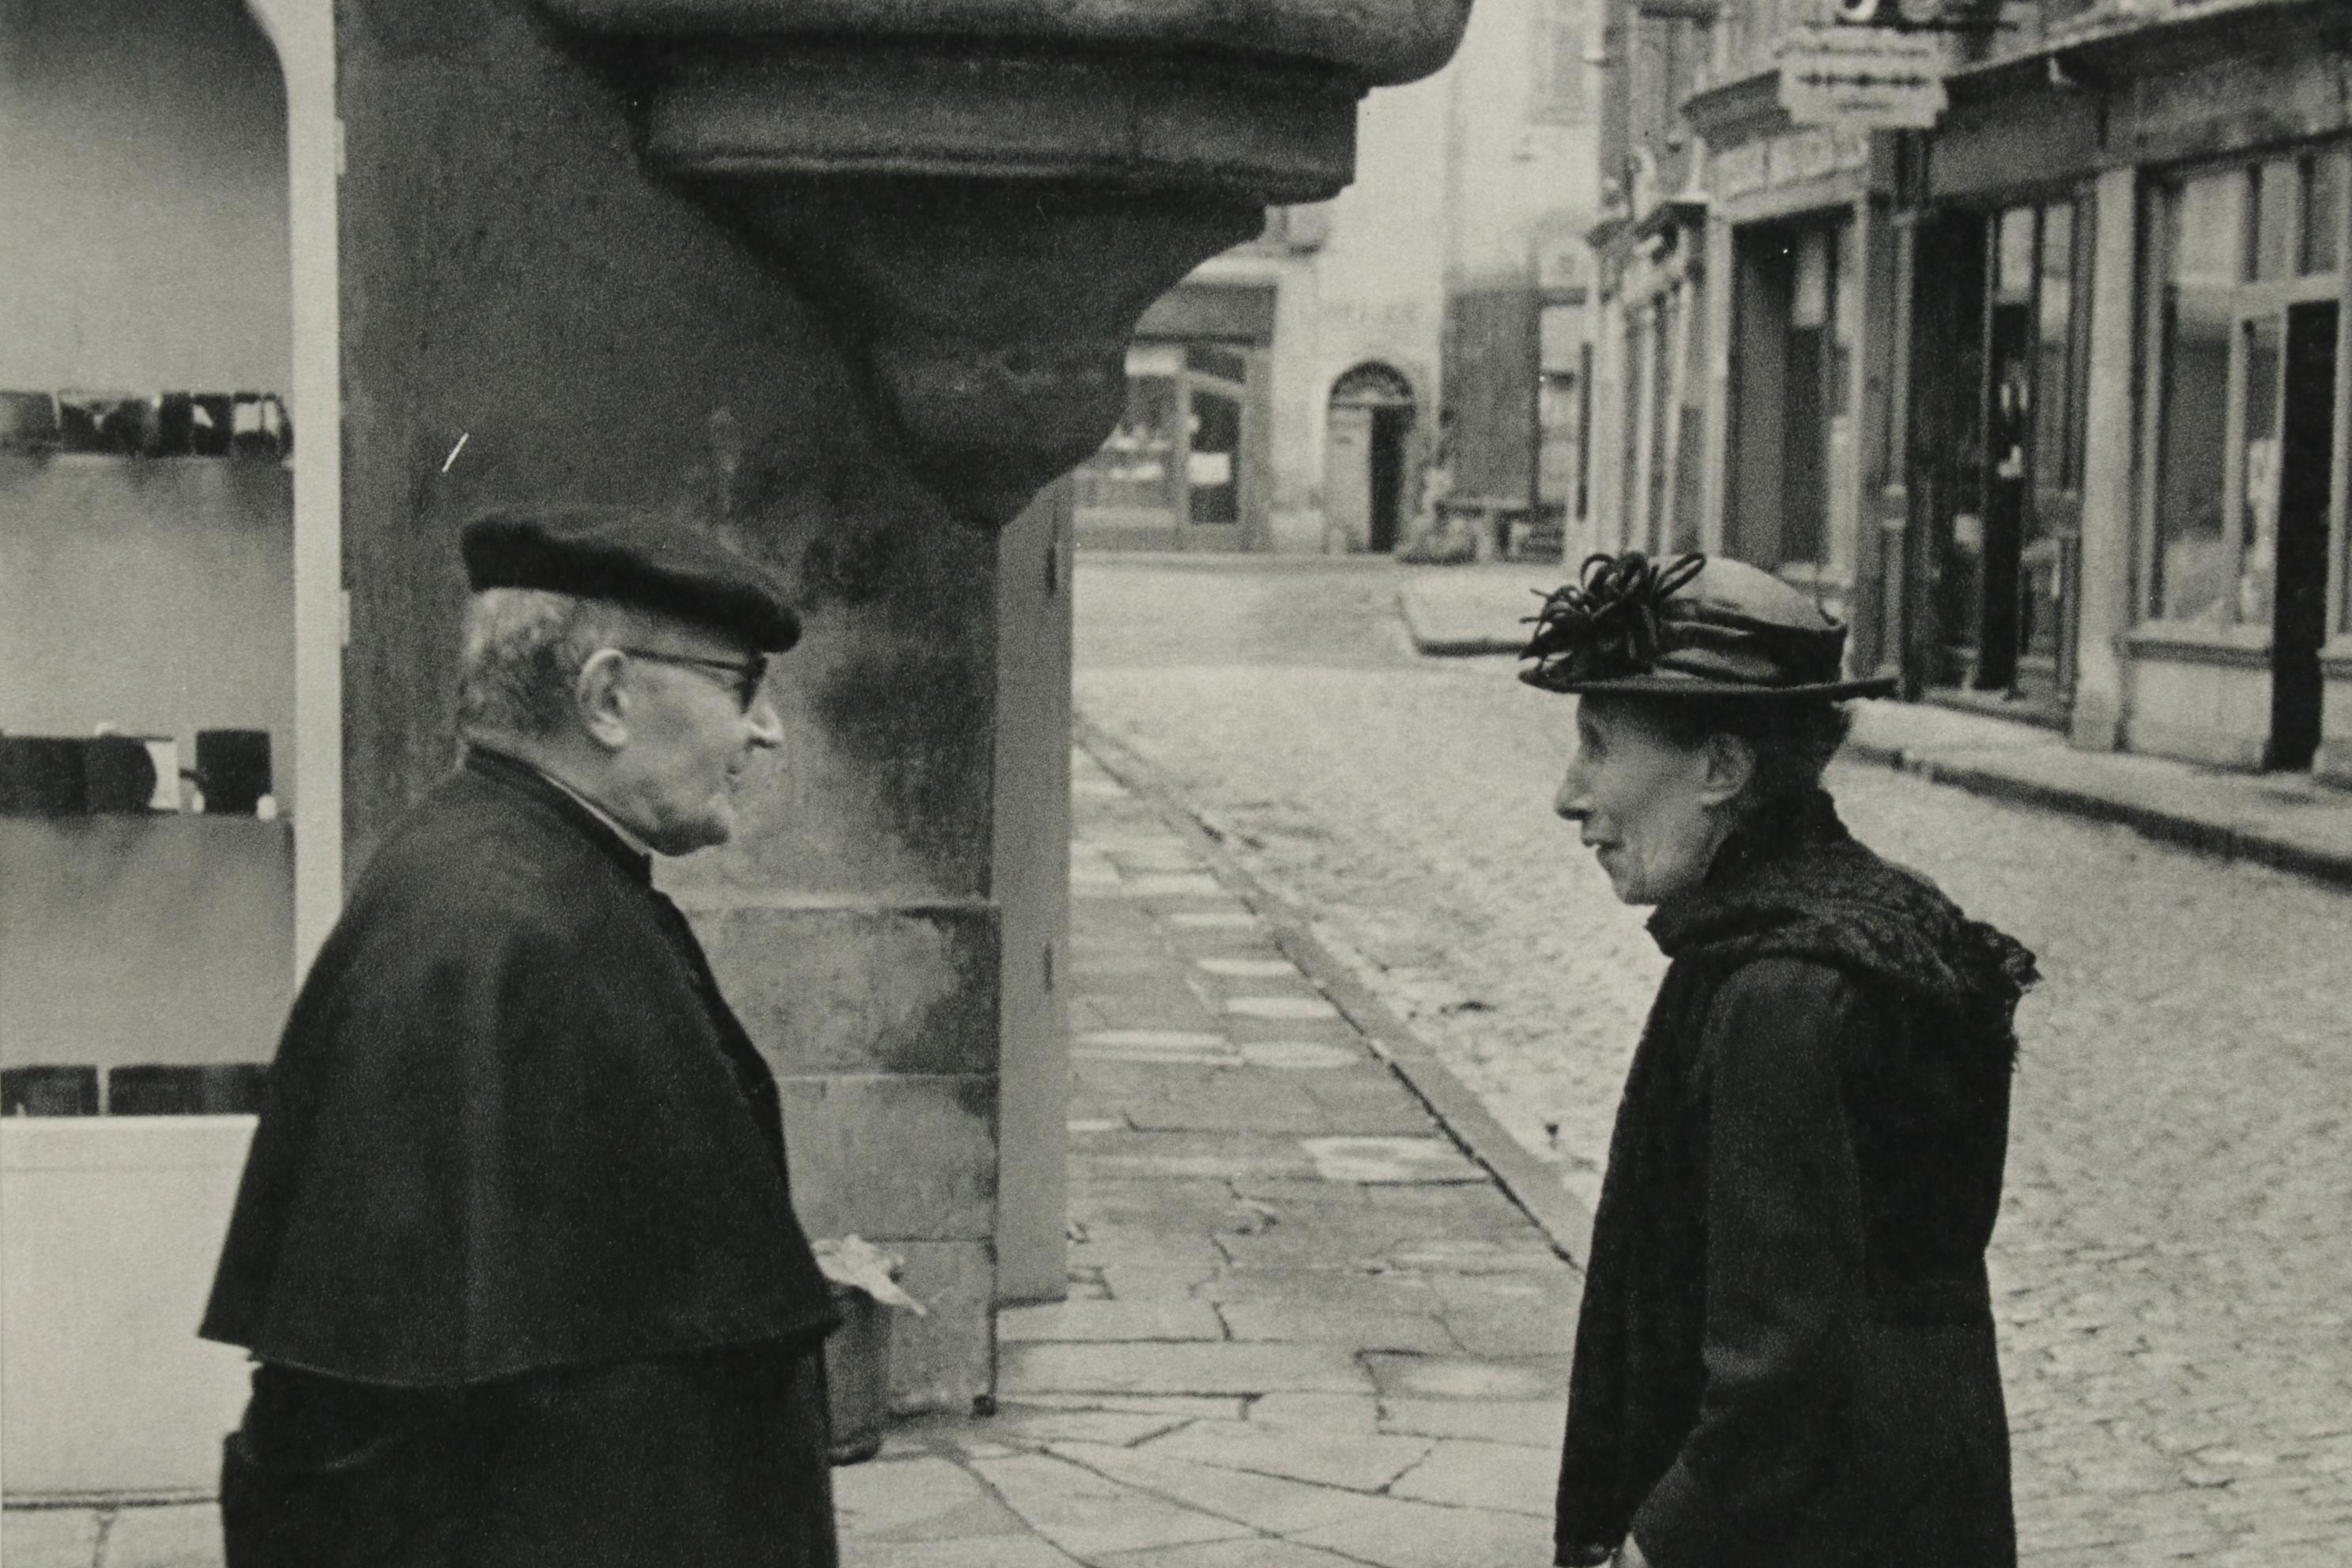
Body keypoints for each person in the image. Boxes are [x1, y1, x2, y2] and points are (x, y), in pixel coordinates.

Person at [201, 505, 841, 1567]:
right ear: (607, 697)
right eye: (743, 686)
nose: (763, 731)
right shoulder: (487, 926)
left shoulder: (534, 880)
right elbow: (358, 1422)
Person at [1522, 552, 2037, 1568]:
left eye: (1598, 746)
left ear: (1721, 768)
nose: (1568, 795)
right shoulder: (1871, 923)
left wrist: (1654, 1546)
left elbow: (1779, 1367)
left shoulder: (1783, 989)